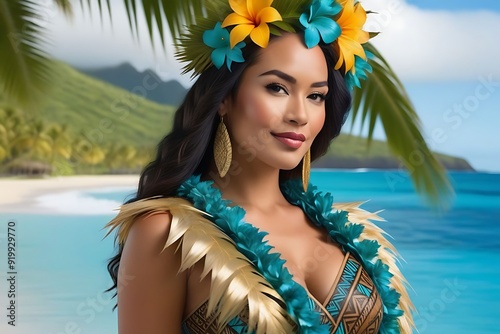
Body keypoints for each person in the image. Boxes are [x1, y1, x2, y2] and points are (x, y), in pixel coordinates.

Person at [105, 0, 414, 333]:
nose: (300, 114)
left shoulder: (355, 236)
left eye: (316, 96)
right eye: (277, 88)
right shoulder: (167, 232)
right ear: (224, 98)